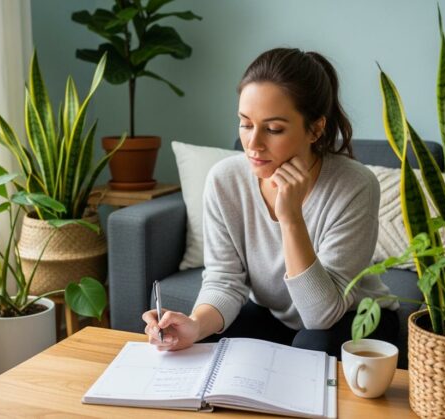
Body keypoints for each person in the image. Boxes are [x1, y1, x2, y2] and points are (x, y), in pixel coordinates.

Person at [142, 47, 399, 357]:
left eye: (273, 129)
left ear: (315, 128)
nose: (253, 144)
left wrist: (291, 218)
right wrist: (195, 325)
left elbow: (321, 315)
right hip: (276, 316)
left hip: (353, 319)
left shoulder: (355, 185)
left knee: (311, 348)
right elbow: (225, 280)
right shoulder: (225, 180)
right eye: (246, 124)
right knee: (206, 344)